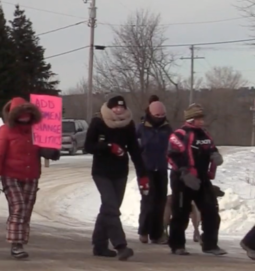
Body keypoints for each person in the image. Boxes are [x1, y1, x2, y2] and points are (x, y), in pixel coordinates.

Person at [0, 98, 53, 260]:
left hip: (31, 176)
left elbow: (42, 149)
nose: (24, 117)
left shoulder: (37, 130)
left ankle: (21, 240)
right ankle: (16, 243)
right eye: (20, 114)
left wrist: (51, 152)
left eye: (27, 114)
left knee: (27, 210)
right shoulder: (5, 131)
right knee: (19, 207)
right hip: (11, 175)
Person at [85, 95, 147, 261]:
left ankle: (99, 245)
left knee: (108, 208)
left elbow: (135, 150)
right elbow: (88, 146)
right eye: (115, 107)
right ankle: (121, 245)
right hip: (101, 171)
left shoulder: (128, 125)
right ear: (110, 108)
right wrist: (107, 147)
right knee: (111, 207)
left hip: (120, 172)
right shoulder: (98, 122)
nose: (118, 110)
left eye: (121, 107)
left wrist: (143, 175)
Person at [167, 103, 226, 256]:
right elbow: (171, 156)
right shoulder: (179, 134)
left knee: (211, 211)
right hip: (182, 179)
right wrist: (184, 172)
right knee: (181, 212)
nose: (202, 121)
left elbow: (211, 148)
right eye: (199, 118)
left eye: (202, 118)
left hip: (202, 179)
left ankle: (210, 244)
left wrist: (215, 155)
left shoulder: (205, 134)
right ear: (191, 119)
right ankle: (177, 245)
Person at [136, 96, 172, 245]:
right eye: (157, 116)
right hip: (146, 169)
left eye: (162, 115)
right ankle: (144, 231)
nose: (160, 118)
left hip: (162, 169)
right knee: (148, 200)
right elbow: (135, 148)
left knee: (160, 201)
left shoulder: (167, 129)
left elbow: (173, 146)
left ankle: (157, 234)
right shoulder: (141, 129)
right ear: (150, 114)